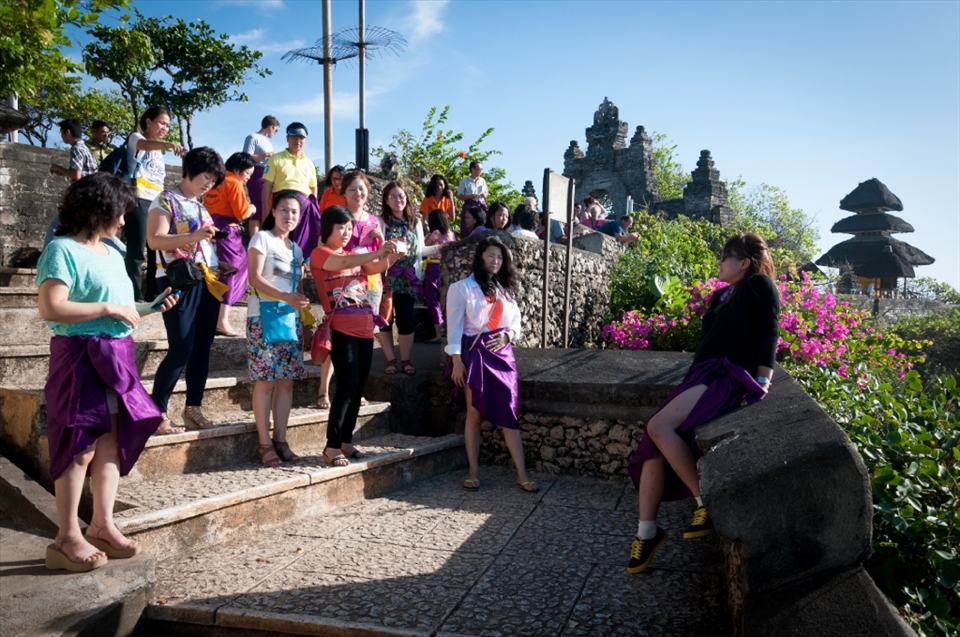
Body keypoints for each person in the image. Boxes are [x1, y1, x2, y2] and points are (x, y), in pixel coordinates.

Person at [37, 172, 180, 572]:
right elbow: (52, 307)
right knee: (79, 445)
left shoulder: (113, 254)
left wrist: (148, 307)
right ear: (98, 208)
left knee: (111, 444)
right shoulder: (61, 250)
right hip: (79, 354)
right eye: (120, 212)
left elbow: (119, 305)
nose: (123, 221)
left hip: (116, 354)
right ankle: (66, 535)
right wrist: (108, 309)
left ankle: (101, 523)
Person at [625, 233, 781, 574]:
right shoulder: (722, 295)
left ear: (744, 262)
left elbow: (769, 332)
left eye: (726, 257)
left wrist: (764, 381)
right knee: (653, 444)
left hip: (727, 376)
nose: (719, 262)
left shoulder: (759, 286)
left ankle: (705, 501)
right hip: (701, 376)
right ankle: (646, 534)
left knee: (658, 427)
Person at [446, 237, 537, 492]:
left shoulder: (505, 290)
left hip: (503, 356)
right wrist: (456, 361)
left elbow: (516, 322)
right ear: (480, 257)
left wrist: (509, 335)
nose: (495, 262)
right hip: (473, 354)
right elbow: (454, 328)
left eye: (499, 258)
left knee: (509, 411)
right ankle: (473, 470)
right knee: (473, 413)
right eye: (490, 257)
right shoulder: (461, 288)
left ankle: (521, 473)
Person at [310, 206, 398, 467]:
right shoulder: (320, 253)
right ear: (328, 229)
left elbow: (375, 267)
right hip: (341, 328)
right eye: (341, 228)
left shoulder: (353, 254)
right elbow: (347, 263)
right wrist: (377, 252)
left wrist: (391, 252)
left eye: (349, 228)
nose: (346, 233)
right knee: (347, 387)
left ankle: (346, 441)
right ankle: (332, 445)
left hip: (363, 327)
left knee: (359, 387)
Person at [146, 147, 226, 431]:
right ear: (190, 170)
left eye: (213, 181)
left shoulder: (201, 206)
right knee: (181, 348)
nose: (208, 184)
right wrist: (193, 235)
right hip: (177, 279)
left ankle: (193, 407)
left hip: (206, 279)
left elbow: (203, 244)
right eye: (206, 177)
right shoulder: (165, 200)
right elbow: (155, 241)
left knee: (202, 348)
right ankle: (157, 413)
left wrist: (220, 264)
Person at [247, 190, 311, 467]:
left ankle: (281, 440)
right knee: (265, 382)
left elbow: (296, 289)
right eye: (284, 210)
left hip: (289, 319)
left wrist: (305, 316)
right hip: (262, 317)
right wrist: (286, 297)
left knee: (286, 382)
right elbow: (254, 277)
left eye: (295, 212)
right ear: (273, 211)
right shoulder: (262, 238)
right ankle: (264, 444)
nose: (289, 216)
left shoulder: (296, 249)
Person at [317, 171, 382, 408]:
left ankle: (357, 390)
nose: (358, 193)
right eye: (352, 189)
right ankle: (323, 389)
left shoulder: (375, 220)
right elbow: (324, 249)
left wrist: (382, 240)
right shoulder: (337, 217)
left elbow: (378, 259)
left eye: (362, 188)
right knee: (336, 337)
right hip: (338, 284)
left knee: (363, 338)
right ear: (342, 192)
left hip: (369, 284)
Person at [377, 182, 442, 375]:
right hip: (386, 278)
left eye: (401, 196)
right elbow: (377, 251)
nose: (398, 200)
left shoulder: (415, 223)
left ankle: (405, 359)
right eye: (393, 197)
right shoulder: (381, 222)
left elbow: (420, 250)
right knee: (384, 320)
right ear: (387, 201)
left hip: (407, 279)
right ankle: (390, 360)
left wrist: (439, 248)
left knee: (406, 321)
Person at [124, 105, 186, 303]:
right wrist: (167, 144)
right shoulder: (136, 138)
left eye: (167, 125)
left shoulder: (159, 152)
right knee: (137, 251)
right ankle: (133, 296)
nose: (165, 128)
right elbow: (144, 145)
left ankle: (153, 293)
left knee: (156, 250)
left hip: (156, 203)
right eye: (161, 122)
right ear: (148, 121)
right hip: (139, 200)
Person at [202, 151, 258, 336]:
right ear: (237, 170)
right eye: (247, 174)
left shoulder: (215, 180)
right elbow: (242, 212)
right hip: (227, 232)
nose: (248, 179)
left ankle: (215, 318)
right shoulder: (233, 182)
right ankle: (222, 320)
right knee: (233, 270)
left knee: (216, 271)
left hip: (209, 228)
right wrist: (252, 208)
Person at [261, 122, 321, 256]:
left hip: (303, 209)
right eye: (294, 137)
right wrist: (266, 211)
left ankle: (300, 269)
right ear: (287, 138)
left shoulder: (309, 163)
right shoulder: (275, 159)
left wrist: (312, 207)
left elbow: (313, 188)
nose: (297, 141)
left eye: (301, 138)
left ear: (305, 140)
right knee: (281, 238)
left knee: (303, 243)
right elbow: (267, 187)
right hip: (282, 203)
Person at [44, 120, 102, 248]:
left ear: (67, 132)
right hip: (92, 194)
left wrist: (59, 168)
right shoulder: (85, 148)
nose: (62, 136)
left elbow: (76, 175)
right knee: (96, 229)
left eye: (62, 133)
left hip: (83, 196)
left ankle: (45, 259)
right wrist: (64, 172)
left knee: (56, 225)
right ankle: (125, 253)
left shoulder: (76, 148)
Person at [243, 115, 279, 236]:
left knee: (267, 206)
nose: (275, 133)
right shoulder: (252, 137)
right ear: (271, 127)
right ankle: (254, 240)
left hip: (268, 176)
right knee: (258, 208)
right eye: (276, 130)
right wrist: (265, 155)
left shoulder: (268, 142)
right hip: (256, 174)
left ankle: (264, 237)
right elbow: (246, 157)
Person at [423, 209, 455, 343]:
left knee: (432, 299)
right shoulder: (451, 234)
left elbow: (424, 247)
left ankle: (438, 333)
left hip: (434, 267)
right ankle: (447, 332)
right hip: (447, 268)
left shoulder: (435, 234)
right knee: (444, 299)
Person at [456, 161, 488, 237]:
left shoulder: (482, 181)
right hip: (469, 204)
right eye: (478, 169)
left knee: (483, 222)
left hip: (481, 204)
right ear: (472, 169)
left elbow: (486, 193)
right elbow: (459, 195)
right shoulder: (465, 181)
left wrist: (484, 195)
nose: (480, 171)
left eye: (481, 169)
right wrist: (470, 196)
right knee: (466, 224)